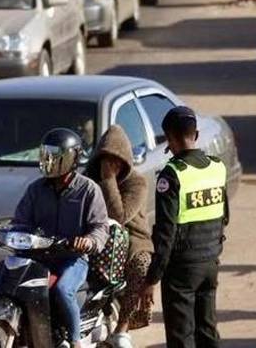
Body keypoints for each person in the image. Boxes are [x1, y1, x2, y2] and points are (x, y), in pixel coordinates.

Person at [11, 128, 109, 348]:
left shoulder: (88, 190)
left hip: (72, 258)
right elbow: (20, 221)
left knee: (63, 290)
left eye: (55, 156)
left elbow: (100, 227)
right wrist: (10, 232)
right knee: (7, 282)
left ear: (72, 158)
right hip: (38, 256)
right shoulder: (35, 189)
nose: (49, 161)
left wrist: (89, 241)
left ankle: (75, 341)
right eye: (46, 155)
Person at [144, 106, 229, 348]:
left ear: (170, 139)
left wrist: (152, 278)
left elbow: (165, 234)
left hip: (181, 270)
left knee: (182, 338)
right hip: (211, 262)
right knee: (208, 331)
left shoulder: (171, 176)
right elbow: (223, 217)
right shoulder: (217, 167)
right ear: (196, 135)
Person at [85, 125, 154, 347]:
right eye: (105, 159)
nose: (110, 164)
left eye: (115, 160)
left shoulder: (137, 182)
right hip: (97, 237)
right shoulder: (88, 180)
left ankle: (122, 328)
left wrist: (109, 180)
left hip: (133, 240)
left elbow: (120, 215)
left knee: (142, 266)